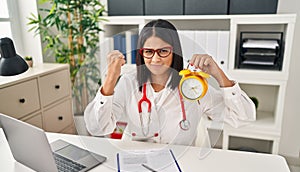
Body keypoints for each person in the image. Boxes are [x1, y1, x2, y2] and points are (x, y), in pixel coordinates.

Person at [84, 19, 256, 146]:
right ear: (141, 53)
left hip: (182, 163)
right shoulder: (129, 82)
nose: (155, 59)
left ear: (175, 52)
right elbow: (98, 128)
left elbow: (243, 118)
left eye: (163, 51)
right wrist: (110, 80)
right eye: (149, 52)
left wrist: (220, 76)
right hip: (137, 161)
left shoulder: (193, 86)